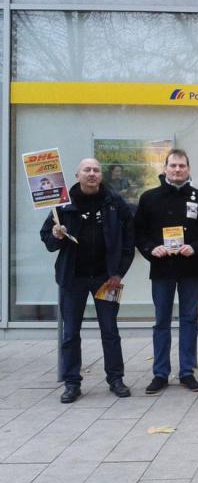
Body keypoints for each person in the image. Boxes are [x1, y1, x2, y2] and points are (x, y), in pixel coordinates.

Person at [40, 158, 135, 403]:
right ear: (77, 174)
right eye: (87, 170)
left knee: (110, 330)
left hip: (107, 279)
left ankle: (116, 379)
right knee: (71, 332)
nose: (92, 174)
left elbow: (128, 239)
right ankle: (72, 383)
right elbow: (49, 241)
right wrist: (55, 234)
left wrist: (118, 273)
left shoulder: (114, 203)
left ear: (101, 176)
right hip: (73, 279)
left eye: (96, 170)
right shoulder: (62, 205)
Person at [134, 149, 198, 394]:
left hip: (190, 268)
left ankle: (186, 372)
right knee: (161, 321)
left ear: (188, 169)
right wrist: (152, 249)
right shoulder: (149, 198)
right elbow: (138, 233)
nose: (177, 169)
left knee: (189, 320)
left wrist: (195, 247)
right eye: (173, 165)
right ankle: (160, 373)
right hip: (161, 269)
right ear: (165, 168)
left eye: (182, 165)